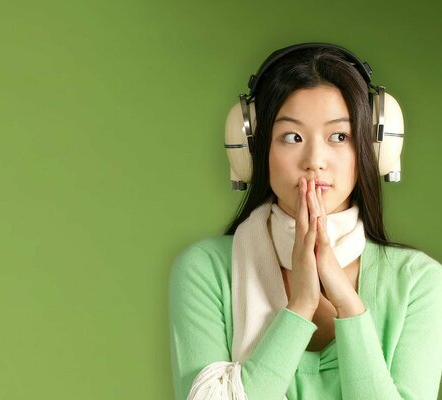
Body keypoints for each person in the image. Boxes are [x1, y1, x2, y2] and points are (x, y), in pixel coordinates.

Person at [168, 43, 442, 400]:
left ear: (373, 151)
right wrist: (299, 308)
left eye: (339, 137)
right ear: (253, 149)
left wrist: (350, 307)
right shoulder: (206, 269)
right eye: (292, 137)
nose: (315, 160)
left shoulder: (419, 282)